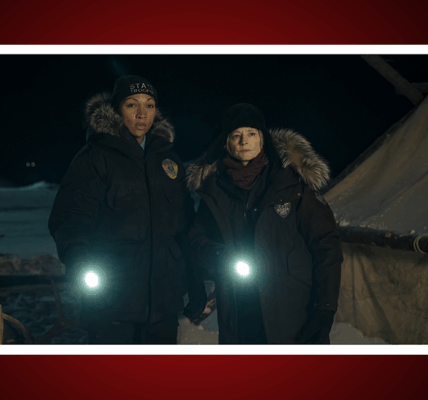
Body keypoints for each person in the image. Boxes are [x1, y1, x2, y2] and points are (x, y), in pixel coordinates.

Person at [48, 75, 206, 344]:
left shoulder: (168, 160)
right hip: (111, 303)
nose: (142, 114)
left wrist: (195, 280)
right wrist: (81, 264)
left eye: (149, 105)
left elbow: (185, 225)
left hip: (164, 304)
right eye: (132, 105)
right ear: (117, 109)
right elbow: (70, 219)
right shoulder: (95, 157)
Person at [185, 103, 343, 344]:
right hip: (239, 310)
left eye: (251, 133)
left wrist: (326, 308)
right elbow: (196, 241)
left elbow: (326, 245)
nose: (243, 141)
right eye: (236, 135)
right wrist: (218, 254)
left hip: (293, 311)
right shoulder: (215, 189)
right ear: (226, 143)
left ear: (262, 138)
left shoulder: (291, 184)